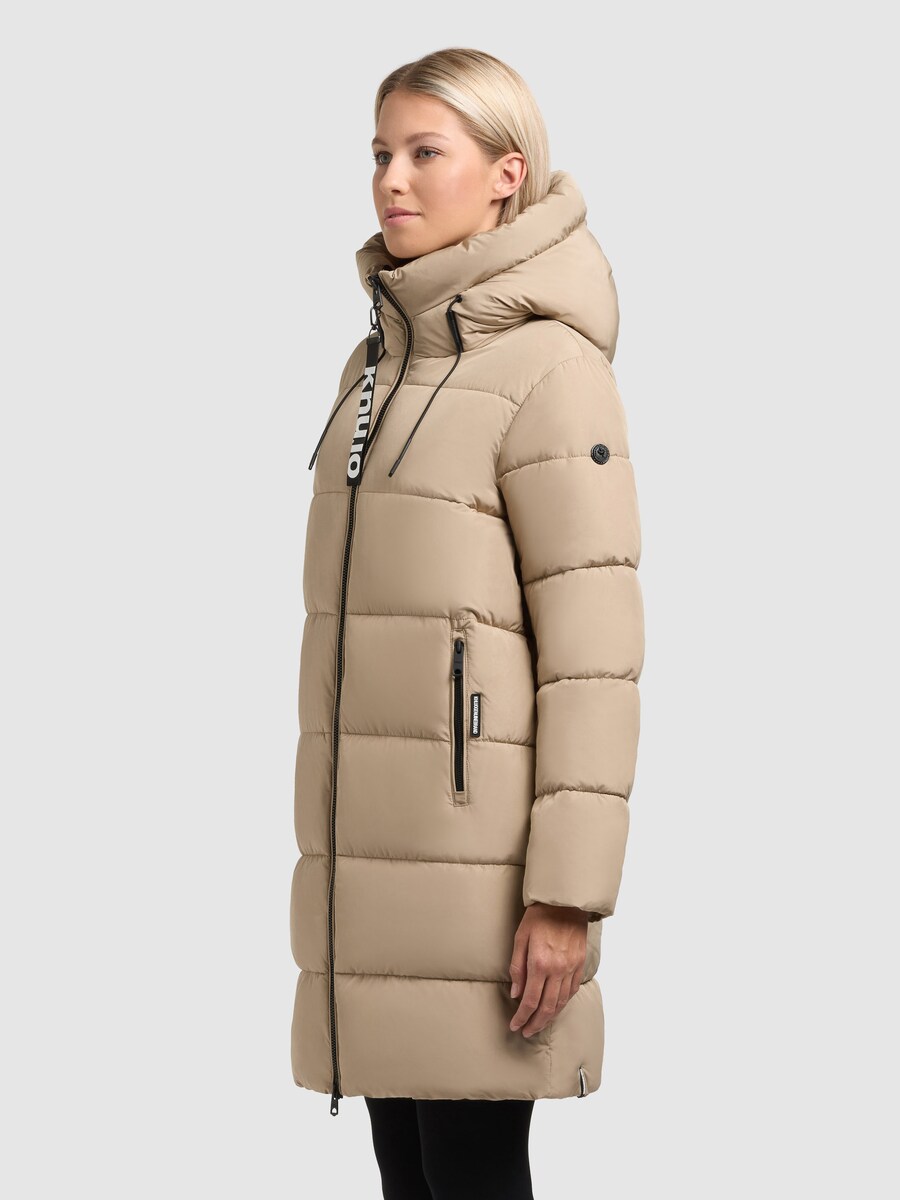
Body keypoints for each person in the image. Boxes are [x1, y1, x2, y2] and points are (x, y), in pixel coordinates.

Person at [290, 46, 644, 1200]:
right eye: (380, 153)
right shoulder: (376, 368)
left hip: (484, 881)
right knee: (410, 1181)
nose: (390, 180)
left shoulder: (551, 373)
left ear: (506, 173)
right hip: (371, 868)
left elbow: (594, 655)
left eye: (424, 152)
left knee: (473, 1176)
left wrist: (566, 894)